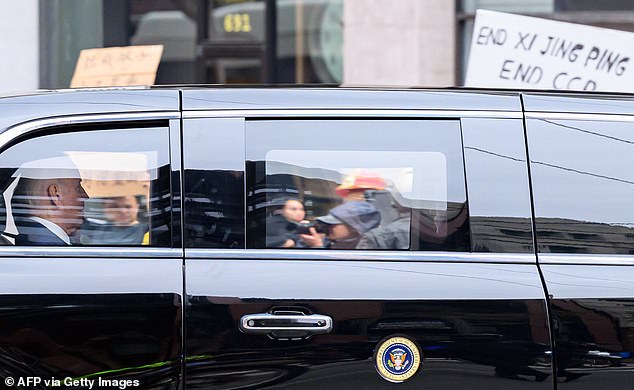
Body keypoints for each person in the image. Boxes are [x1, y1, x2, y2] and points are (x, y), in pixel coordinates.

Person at [11, 176, 87, 245]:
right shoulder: (54, 251)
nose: (86, 196)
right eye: (78, 187)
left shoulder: (29, 239)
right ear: (55, 194)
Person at [300, 201, 381, 249]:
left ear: (354, 227)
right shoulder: (331, 242)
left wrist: (317, 246)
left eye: (333, 223)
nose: (328, 227)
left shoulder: (367, 248)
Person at [81, 195, 148, 245]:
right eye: (115, 207)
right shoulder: (97, 229)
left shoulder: (147, 230)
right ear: (105, 209)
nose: (123, 211)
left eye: (128, 206)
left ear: (137, 207)